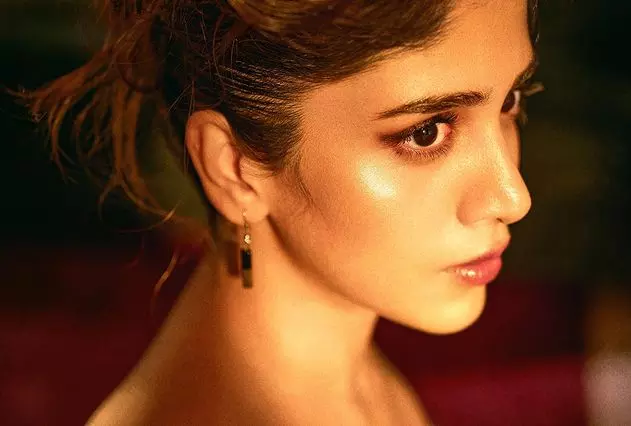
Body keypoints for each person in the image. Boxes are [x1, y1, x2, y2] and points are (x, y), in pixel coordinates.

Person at [22, 0, 543, 424]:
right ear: (233, 169)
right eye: (426, 132)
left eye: (510, 101)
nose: (513, 196)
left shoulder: (335, 374)